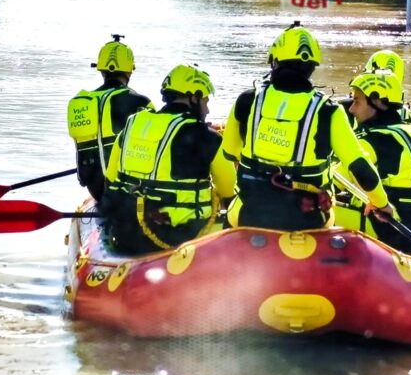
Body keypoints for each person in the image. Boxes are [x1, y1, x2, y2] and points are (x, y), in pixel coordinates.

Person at [221, 21, 393, 231]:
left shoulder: (247, 101)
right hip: (310, 220)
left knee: (229, 218)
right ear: (312, 68)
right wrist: (381, 203)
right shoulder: (329, 111)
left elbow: (229, 153)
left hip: (250, 214)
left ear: (274, 62)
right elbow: (359, 166)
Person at [98, 65, 237, 255]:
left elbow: (111, 178)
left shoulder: (133, 124)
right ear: (193, 97)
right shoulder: (208, 138)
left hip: (126, 233)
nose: (207, 108)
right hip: (178, 237)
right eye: (205, 101)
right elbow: (230, 192)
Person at [334, 69, 411, 259]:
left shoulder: (370, 139)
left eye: (357, 101)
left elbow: (332, 181)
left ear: (377, 102)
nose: (351, 109)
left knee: (316, 206)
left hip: (387, 228)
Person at [67, 35, 153, 201]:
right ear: (130, 69)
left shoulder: (82, 102)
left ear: (100, 69)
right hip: (127, 193)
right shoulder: (139, 102)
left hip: (96, 190)